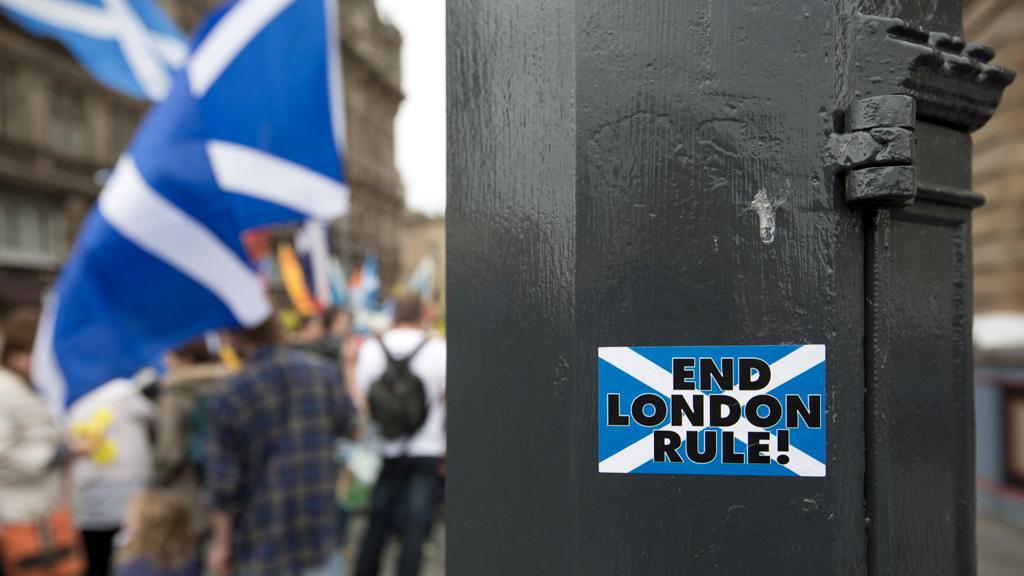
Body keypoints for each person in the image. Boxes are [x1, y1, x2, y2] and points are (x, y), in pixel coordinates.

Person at [206, 318, 356, 576]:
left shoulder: (230, 394)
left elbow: (223, 488)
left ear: (233, 336)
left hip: (261, 548)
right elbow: (353, 428)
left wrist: (222, 546)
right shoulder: (323, 373)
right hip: (318, 536)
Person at [354, 295, 446, 576]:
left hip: (386, 447)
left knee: (377, 522)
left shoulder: (371, 348)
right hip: (428, 448)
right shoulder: (439, 349)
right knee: (416, 527)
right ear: (423, 315)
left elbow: (362, 401)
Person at [0, 308, 92, 576]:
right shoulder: (5, 389)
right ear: (19, 354)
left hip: (44, 515)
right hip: (22, 516)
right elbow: (3, 454)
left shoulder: (26, 386)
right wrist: (58, 453)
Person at [69, 374, 156, 576]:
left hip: (88, 497)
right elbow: (153, 413)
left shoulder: (77, 407)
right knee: (131, 555)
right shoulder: (125, 393)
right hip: (128, 490)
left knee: (95, 558)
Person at [152, 338, 229, 536]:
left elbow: (170, 452)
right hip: (230, 490)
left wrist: (155, 482)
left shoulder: (175, 394)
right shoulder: (228, 384)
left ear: (185, 359)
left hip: (191, 496)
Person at [116, 489, 200, 576]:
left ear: (153, 530)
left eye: (133, 519)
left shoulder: (132, 565)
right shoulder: (190, 561)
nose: (125, 524)